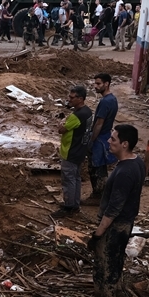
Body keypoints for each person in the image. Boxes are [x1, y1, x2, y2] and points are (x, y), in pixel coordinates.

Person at [89, 124, 144, 297]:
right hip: (126, 223)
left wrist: (98, 234)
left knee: (105, 268)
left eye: (113, 139)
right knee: (116, 262)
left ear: (125, 144)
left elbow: (113, 208)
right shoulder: (137, 162)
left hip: (114, 227)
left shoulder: (124, 172)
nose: (109, 141)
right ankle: (117, 296)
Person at [52, 85, 91, 218]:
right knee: (76, 178)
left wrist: (62, 123)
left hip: (70, 151)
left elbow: (61, 129)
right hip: (80, 150)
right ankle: (75, 203)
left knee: (68, 179)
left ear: (80, 99)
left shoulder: (76, 116)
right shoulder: (88, 112)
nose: (69, 99)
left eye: (72, 97)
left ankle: (69, 206)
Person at [86, 73, 118, 203]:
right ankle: (101, 195)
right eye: (95, 83)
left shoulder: (105, 102)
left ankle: (98, 196)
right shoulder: (113, 99)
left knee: (96, 168)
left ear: (107, 84)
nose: (95, 86)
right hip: (105, 136)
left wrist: (91, 140)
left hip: (100, 138)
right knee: (101, 167)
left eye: (98, 84)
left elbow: (99, 123)